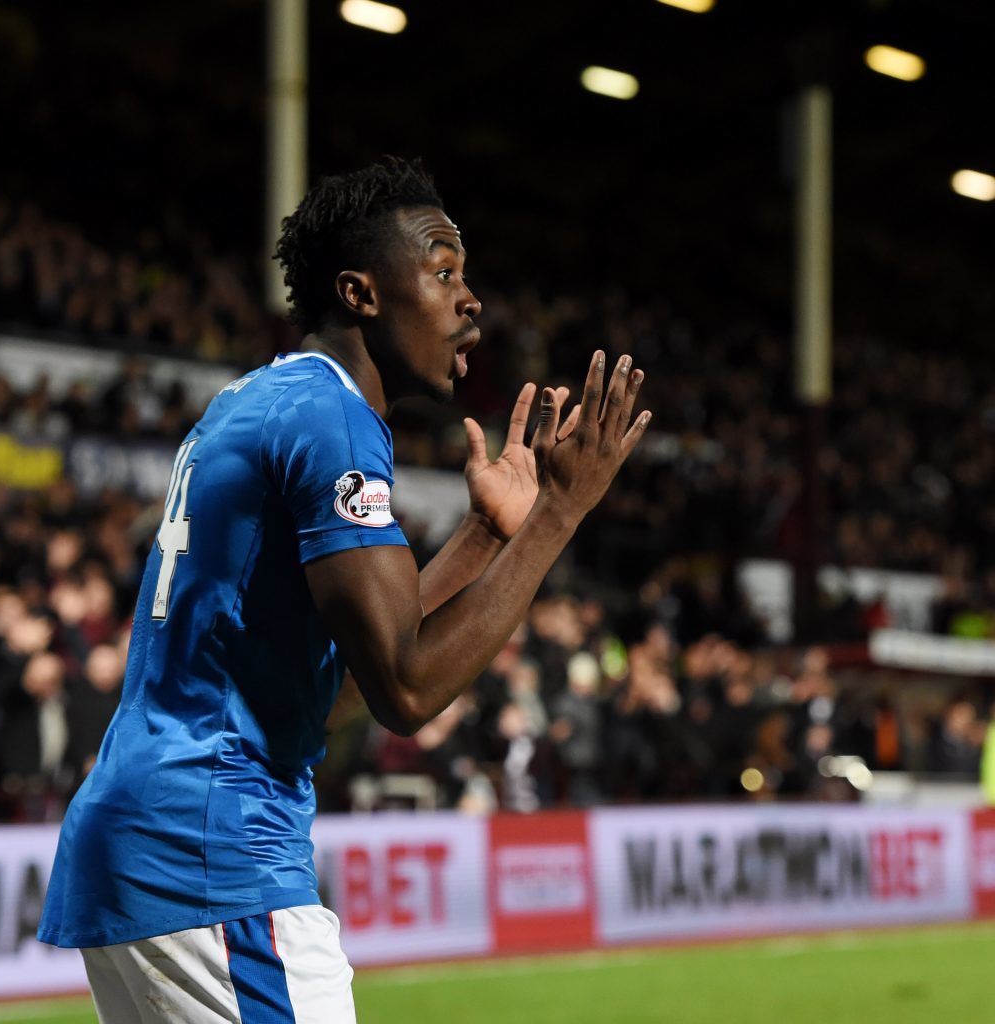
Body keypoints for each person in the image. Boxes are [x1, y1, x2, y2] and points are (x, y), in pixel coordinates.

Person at [37, 156, 650, 1022]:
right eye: (442, 272)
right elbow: (407, 690)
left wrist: (483, 537)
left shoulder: (259, 399)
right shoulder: (332, 419)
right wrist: (560, 513)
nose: (469, 299)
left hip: (148, 835)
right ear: (361, 295)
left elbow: (343, 690)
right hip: (213, 849)